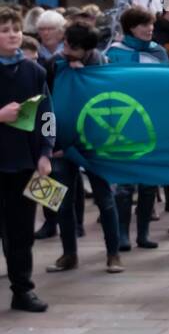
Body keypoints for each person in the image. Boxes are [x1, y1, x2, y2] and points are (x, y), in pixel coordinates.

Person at [44, 23, 125, 275]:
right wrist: (48, 144)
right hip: (61, 143)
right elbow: (45, 103)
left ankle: (113, 254)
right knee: (61, 202)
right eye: (65, 43)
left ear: (87, 49)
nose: (65, 49)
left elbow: (111, 103)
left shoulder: (103, 63)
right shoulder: (55, 64)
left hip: (95, 144)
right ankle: (69, 254)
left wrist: (84, 79)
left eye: (72, 47)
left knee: (105, 199)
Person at [0, 6, 54, 312]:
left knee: (22, 232)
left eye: (16, 29)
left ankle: (23, 290)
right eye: (5, 29)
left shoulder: (35, 71)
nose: (12, 35)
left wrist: (45, 153)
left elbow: (47, 116)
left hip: (24, 164)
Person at [106, 5, 169, 251]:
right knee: (124, 184)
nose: (150, 28)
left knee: (148, 183)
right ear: (131, 27)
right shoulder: (114, 52)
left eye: (151, 24)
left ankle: (143, 233)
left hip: (152, 122)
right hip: (124, 123)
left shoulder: (159, 52)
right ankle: (122, 234)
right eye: (144, 25)